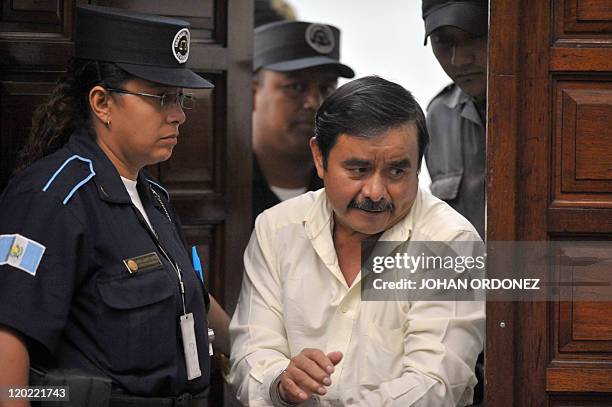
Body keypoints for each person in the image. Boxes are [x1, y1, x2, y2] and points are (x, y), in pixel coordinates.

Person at [0, 5, 227, 406]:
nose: (177, 116)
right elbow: (9, 341)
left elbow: (192, 297)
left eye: (179, 98)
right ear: (102, 103)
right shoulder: (52, 199)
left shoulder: (151, 196)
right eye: (159, 98)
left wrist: (269, 357)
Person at [229, 76, 485, 406]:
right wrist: (281, 383)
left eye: (396, 172)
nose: (375, 192)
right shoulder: (278, 228)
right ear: (320, 159)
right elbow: (251, 349)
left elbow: (434, 385)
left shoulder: (449, 242)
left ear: (419, 164)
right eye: (358, 170)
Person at [252, 21, 355, 219]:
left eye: (327, 89)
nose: (314, 102)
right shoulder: (218, 186)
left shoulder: (354, 190)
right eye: (296, 87)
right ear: (253, 93)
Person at [422, 0, 488, 239]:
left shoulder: (559, 106)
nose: (459, 60)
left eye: (475, 36)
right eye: (444, 42)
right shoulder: (439, 117)